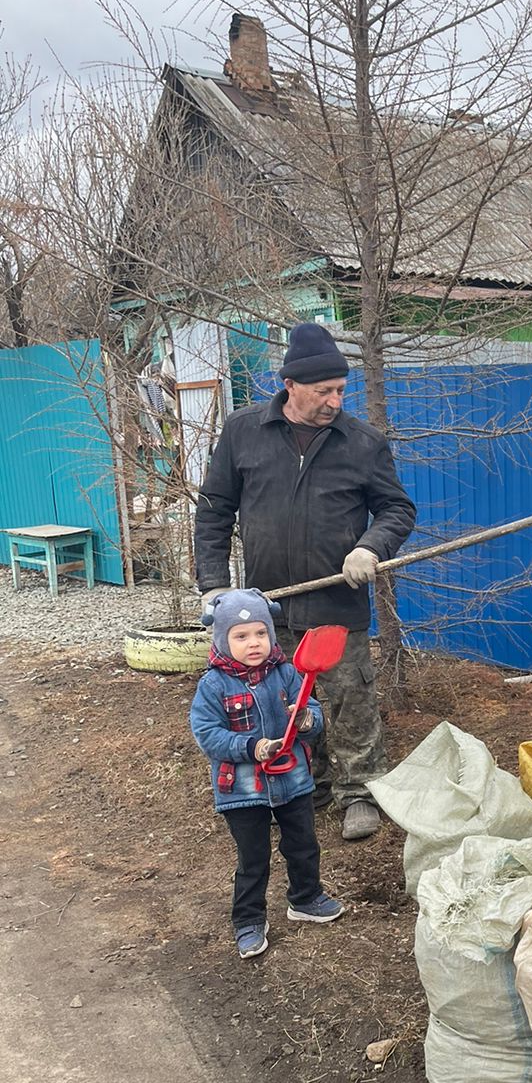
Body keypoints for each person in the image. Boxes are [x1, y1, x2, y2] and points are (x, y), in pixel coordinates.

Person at [195, 323, 416, 842]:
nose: (336, 401)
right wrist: (212, 583)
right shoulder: (244, 431)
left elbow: (397, 509)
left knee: (347, 697)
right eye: (325, 391)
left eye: (341, 390)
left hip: (336, 601)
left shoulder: (361, 443)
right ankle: (304, 783)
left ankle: (359, 791)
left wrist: (370, 546)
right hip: (266, 607)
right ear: (290, 385)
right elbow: (214, 510)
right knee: (278, 699)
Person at [190, 589, 344, 960]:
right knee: (252, 856)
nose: (253, 643)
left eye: (260, 633)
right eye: (241, 637)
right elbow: (207, 734)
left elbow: (312, 714)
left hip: (292, 780)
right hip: (242, 790)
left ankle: (305, 898)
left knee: (303, 844)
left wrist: (306, 718)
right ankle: (248, 920)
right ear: (223, 639)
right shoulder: (213, 685)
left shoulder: (289, 674)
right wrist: (251, 748)